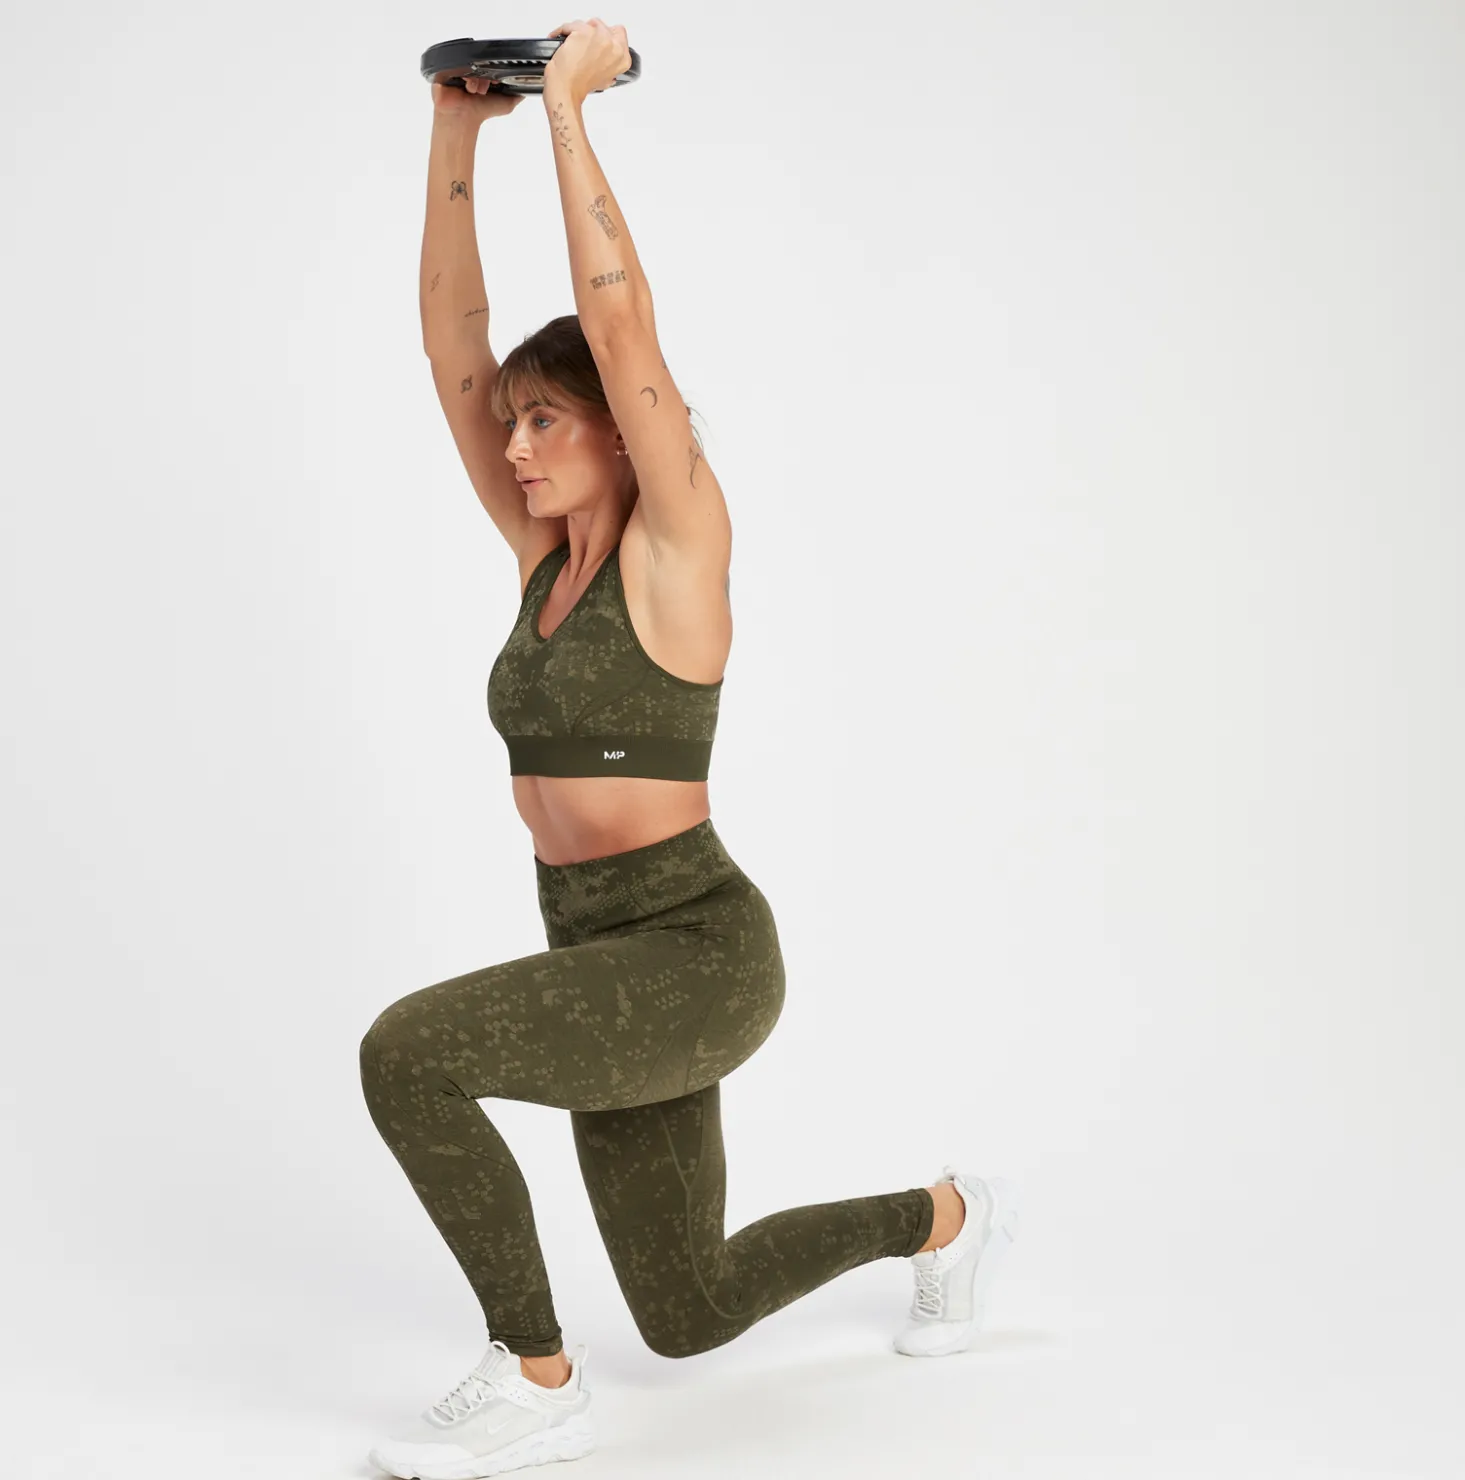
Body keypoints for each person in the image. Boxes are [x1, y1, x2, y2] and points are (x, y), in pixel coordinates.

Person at [361, 20, 1022, 1478]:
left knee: (408, 1054)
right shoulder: (542, 560)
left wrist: (568, 113)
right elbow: (453, 345)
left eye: (545, 421)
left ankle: (535, 1376)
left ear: (616, 429)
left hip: (696, 951)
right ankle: (948, 1219)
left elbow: (623, 331)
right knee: (690, 1308)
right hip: (596, 945)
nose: (514, 444)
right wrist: (456, 131)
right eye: (515, 425)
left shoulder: (680, 548)